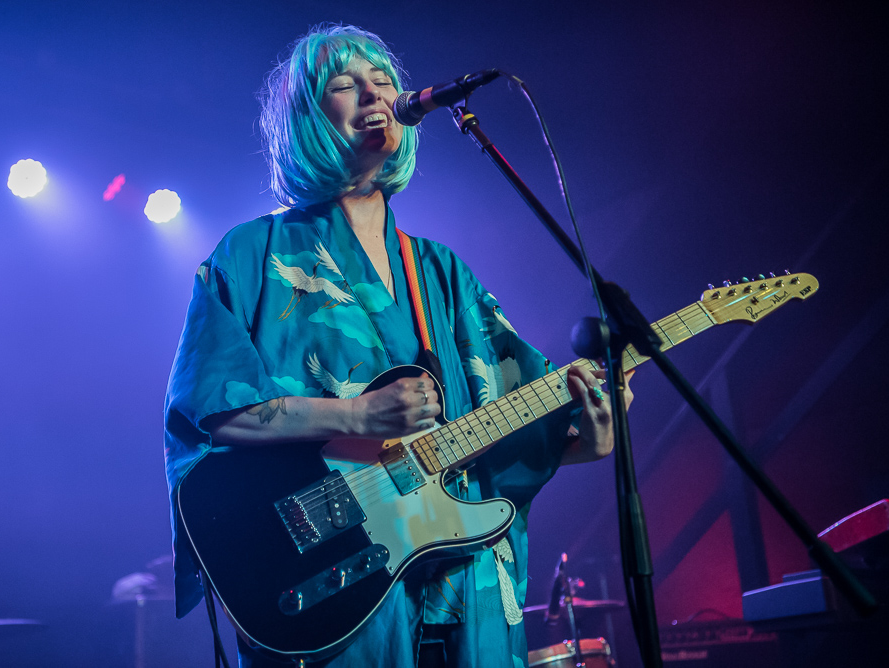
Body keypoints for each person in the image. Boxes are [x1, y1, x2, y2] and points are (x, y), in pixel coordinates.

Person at [164, 24, 633, 668]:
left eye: (382, 80)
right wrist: (356, 417)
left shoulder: (444, 273)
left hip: (464, 586)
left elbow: (515, 427)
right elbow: (211, 409)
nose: (373, 93)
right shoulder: (249, 255)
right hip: (336, 587)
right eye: (343, 85)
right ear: (308, 118)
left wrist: (590, 437)